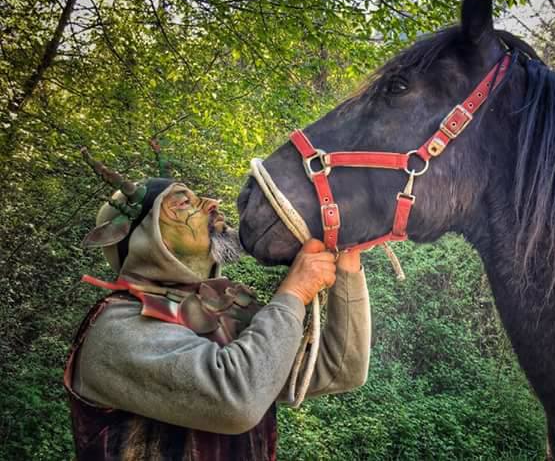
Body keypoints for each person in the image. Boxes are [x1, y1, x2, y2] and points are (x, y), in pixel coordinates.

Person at [65, 156, 370, 461]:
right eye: (182, 204)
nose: (212, 203)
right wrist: (294, 292)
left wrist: (348, 266)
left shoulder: (225, 307)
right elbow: (237, 399)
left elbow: (339, 369)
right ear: (148, 241)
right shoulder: (115, 328)